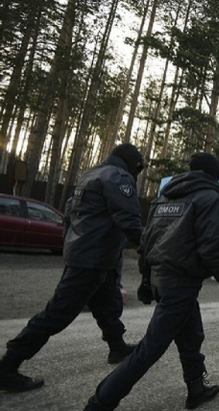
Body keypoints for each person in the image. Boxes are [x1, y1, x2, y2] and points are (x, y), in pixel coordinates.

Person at [83, 152, 219, 411]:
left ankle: (196, 388)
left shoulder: (165, 197)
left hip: (164, 279)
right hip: (181, 282)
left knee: (191, 335)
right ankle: (100, 402)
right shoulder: (211, 199)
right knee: (150, 349)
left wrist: (146, 280)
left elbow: (147, 241)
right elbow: (213, 248)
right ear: (214, 174)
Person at [0, 144, 144, 393]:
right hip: (93, 259)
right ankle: (7, 366)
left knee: (107, 305)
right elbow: (129, 219)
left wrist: (73, 245)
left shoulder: (90, 175)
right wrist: (151, 248)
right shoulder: (118, 177)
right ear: (132, 164)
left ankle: (117, 346)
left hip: (91, 255)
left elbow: (68, 216)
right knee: (56, 314)